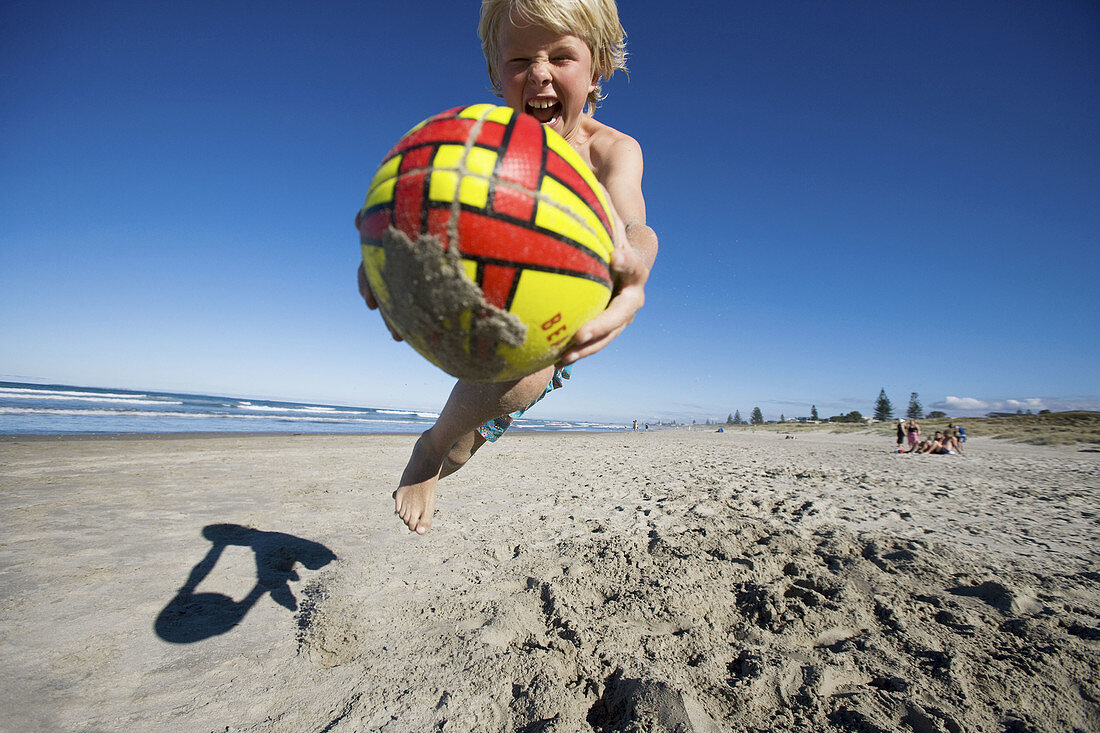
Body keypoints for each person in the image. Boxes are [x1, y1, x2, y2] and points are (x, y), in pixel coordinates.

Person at [357, 0, 658, 534]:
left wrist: (635, 268)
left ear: (598, 69)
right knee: (518, 385)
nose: (540, 73)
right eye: (520, 61)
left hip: (569, 304)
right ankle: (429, 448)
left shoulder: (611, 149)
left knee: (478, 435)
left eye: (562, 57)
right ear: (497, 74)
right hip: (488, 304)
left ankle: (443, 446)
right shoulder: (479, 140)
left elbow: (635, 223)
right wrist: (387, 245)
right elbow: (423, 189)